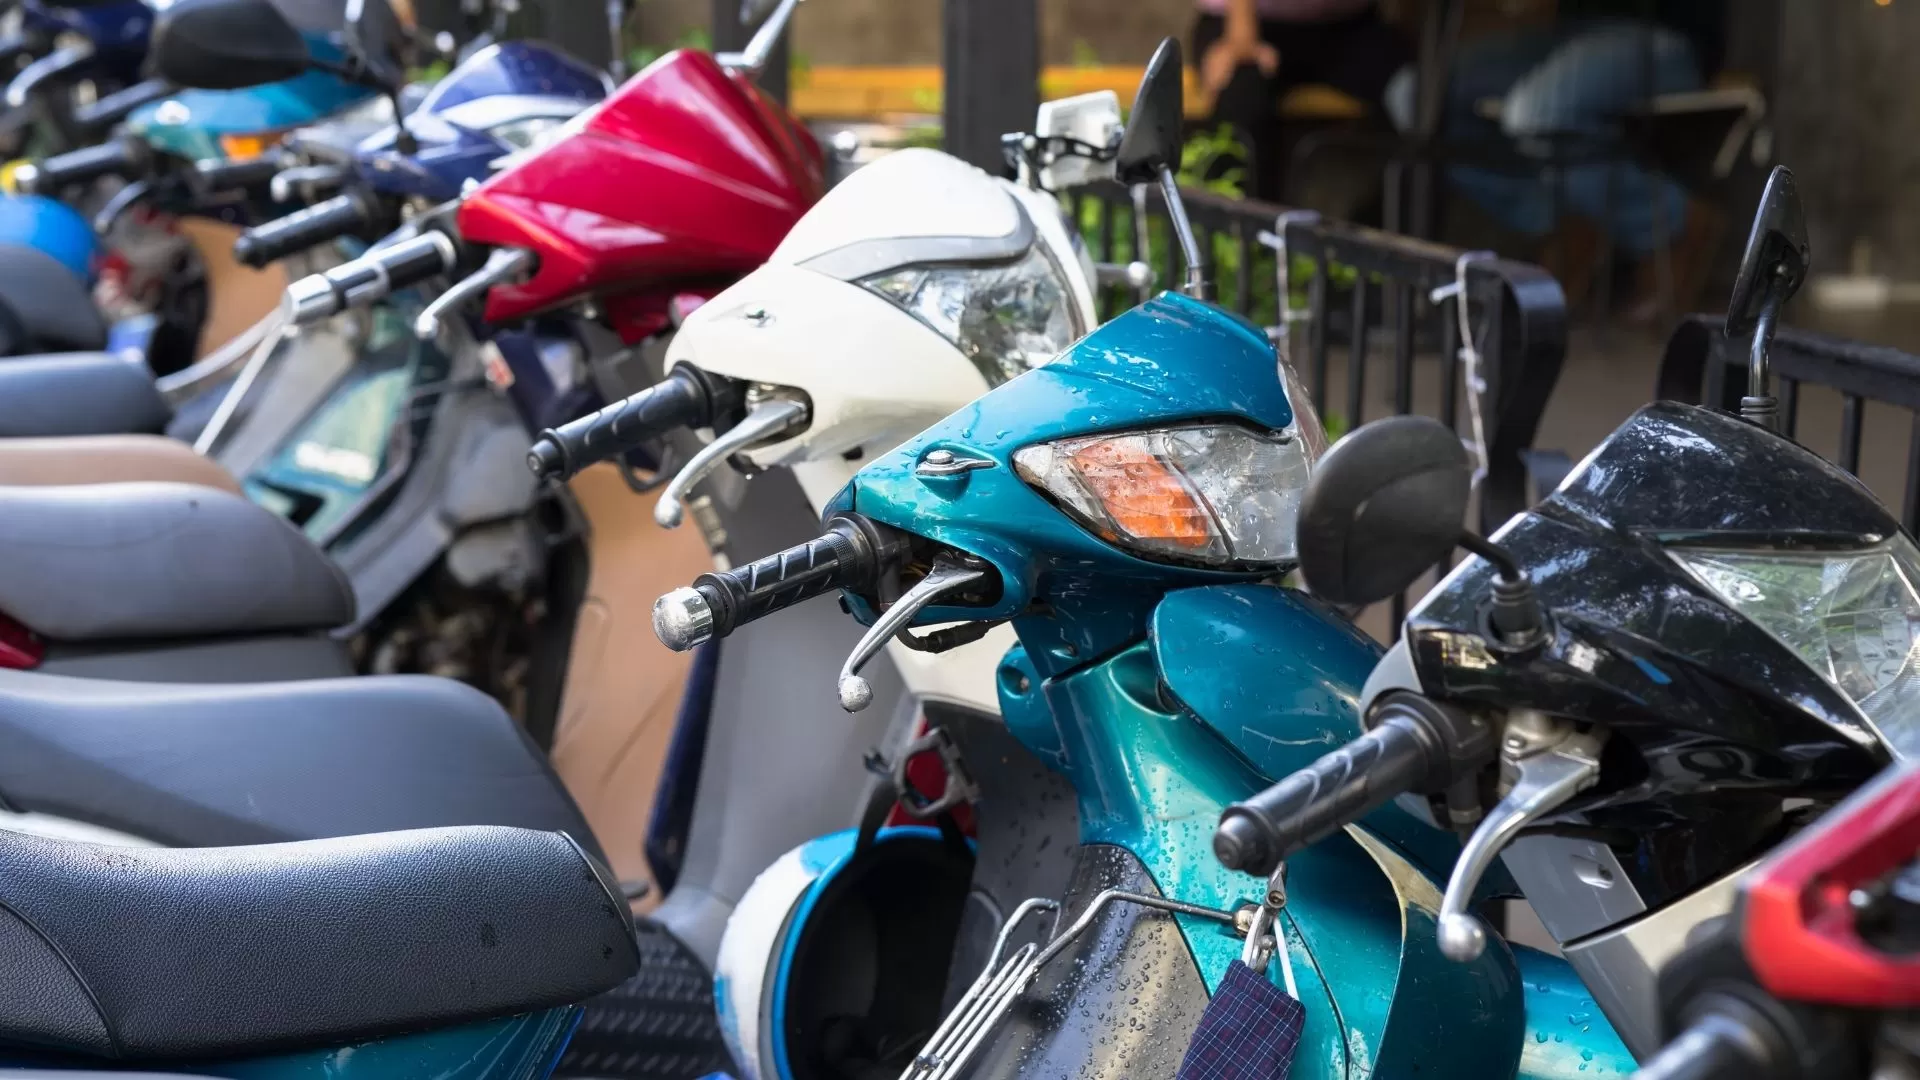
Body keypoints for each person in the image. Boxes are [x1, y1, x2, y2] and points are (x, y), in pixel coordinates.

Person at [1425, 0, 1730, 320]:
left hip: (1660, 32)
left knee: (1537, 115)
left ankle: (1671, 223)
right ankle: (1571, 218)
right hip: (1566, 31)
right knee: (1417, 98)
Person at [1192, 0, 1412, 201]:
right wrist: (1241, 35)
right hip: (1245, 21)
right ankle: (1235, 224)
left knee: (1414, 94)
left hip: (1350, 26)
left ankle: (1396, 217)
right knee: (1240, 104)